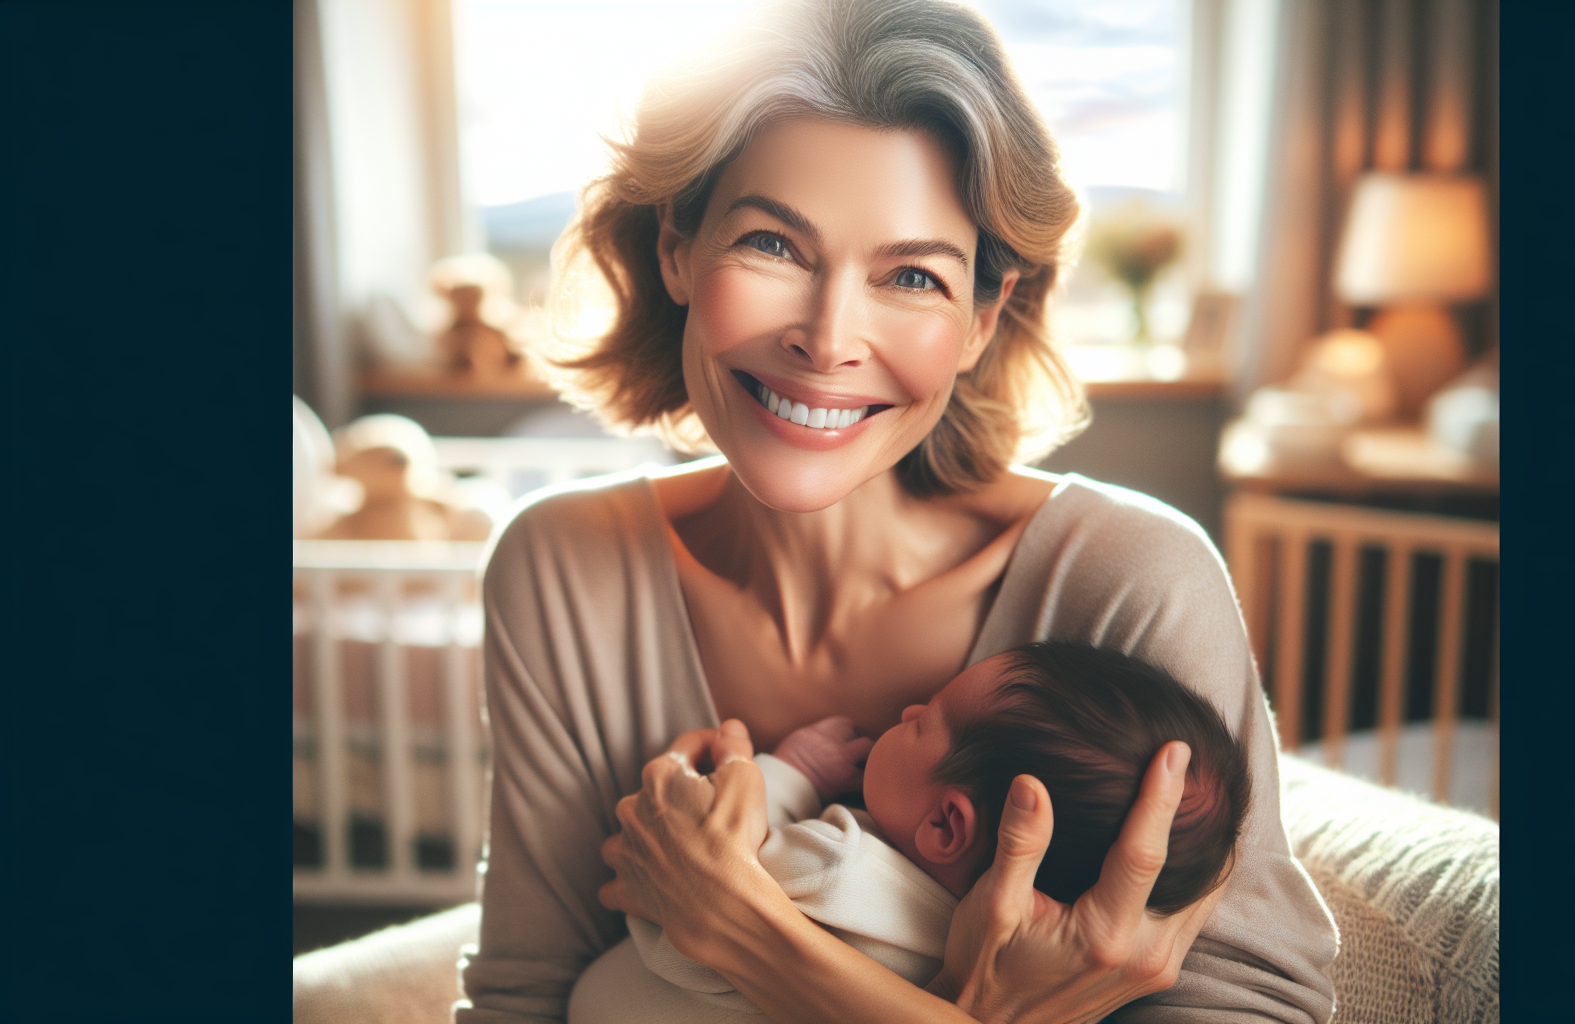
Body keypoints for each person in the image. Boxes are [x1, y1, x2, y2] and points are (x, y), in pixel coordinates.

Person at [292, 1, 1340, 1021]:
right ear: (675, 247)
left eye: (914, 276)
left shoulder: (1132, 578)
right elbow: (521, 1002)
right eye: (774, 246)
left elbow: (1257, 1004)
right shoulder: (561, 569)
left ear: (985, 315)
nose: (829, 338)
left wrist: (739, 926)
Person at [567, 642, 1252, 1023]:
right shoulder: (1020, 959)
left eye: (924, 723)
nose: (910, 706)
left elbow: (707, 864)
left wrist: (791, 770)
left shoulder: (836, 865)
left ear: (947, 825)